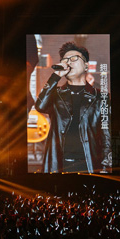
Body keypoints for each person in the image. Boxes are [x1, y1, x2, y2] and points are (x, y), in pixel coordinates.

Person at [35, 41, 111, 173]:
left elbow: (107, 137)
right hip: (58, 165)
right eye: (65, 60)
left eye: (74, 58)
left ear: (86, 66)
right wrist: (55, 77)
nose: (68, 62)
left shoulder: (101, 97)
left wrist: (105, 169)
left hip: (88, 164)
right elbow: (40, 106)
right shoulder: (55, 94)